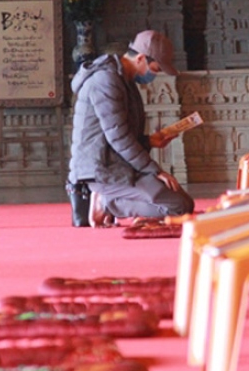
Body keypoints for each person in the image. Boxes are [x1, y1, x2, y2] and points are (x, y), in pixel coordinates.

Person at [68, 30, 194, 227]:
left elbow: (120, 134)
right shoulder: (105, 80)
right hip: (102, 170)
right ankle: (105, 202)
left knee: (185, 203)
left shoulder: (124, 79)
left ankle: (116, 203)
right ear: (141, 58)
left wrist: (149, 141)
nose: (155, 74)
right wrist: (155, 170)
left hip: (120, 166)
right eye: (155, 68)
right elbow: (118, 138)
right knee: (177, 207)